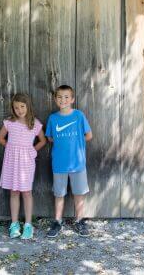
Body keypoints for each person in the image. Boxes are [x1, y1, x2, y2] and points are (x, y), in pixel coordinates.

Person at [44, 85, 93, 238]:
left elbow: (89, 135)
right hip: (59, 163)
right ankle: (57, 221)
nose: (63, 100)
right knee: (59, 194)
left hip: (78, 162)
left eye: (66, 97)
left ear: (72, 99)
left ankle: (79, 220)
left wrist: (76, 144)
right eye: (59, 97)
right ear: (55, 99)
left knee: (79, 193)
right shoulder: (53, 118)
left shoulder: (79, 116)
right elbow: (50, 138)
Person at [0, 93, 47, 239]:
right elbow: (0, 138)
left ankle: (28, 225)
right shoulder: (9, 122)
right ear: (13, 109)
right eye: (16, 107)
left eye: (22, 106)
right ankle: (14, 224)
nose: (19, 110)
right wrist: (10, 147)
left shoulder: (35, 123)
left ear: (28, 106)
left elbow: (42, 141)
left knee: (26, 192)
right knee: (14, 191)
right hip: (12, 160)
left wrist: (32, 150)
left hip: (26, 161)